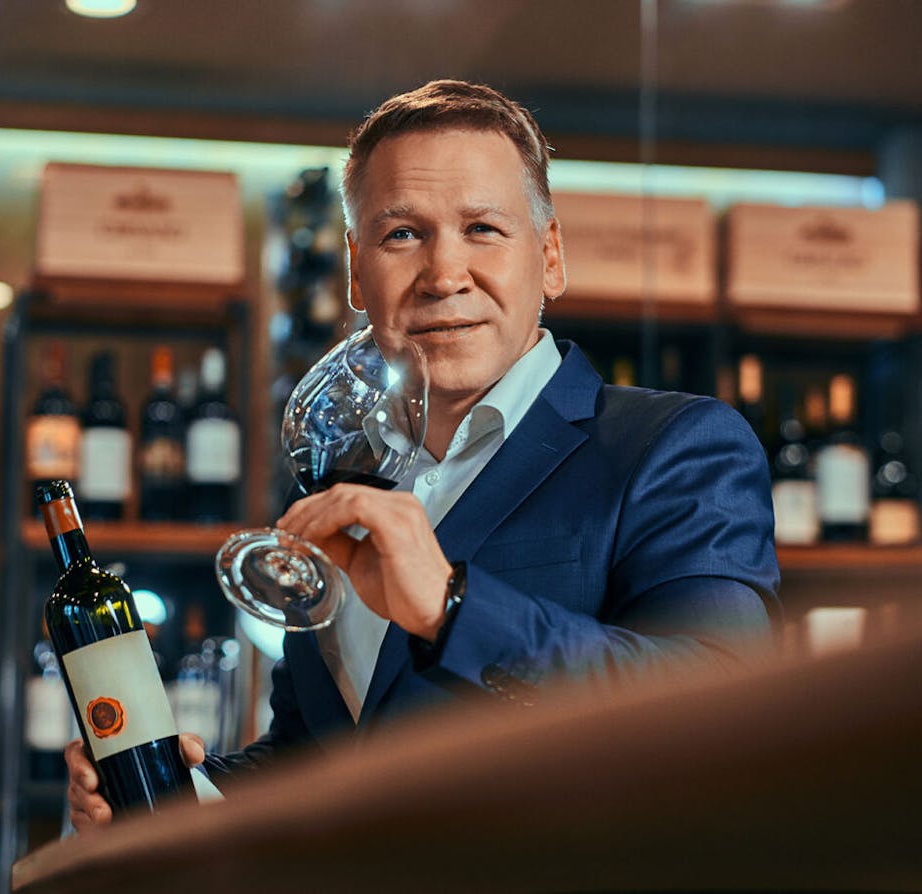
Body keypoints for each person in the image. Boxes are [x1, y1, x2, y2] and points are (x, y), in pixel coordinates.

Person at [65, 79, 780, 830]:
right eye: (402, 233)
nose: (443, 275)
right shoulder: (351, 475)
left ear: (551, 257)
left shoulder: (677, 447)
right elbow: (321, 757)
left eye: (482, 229)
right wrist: (173, 792)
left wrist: (452, 605)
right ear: (355, 271)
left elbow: (722, 715)